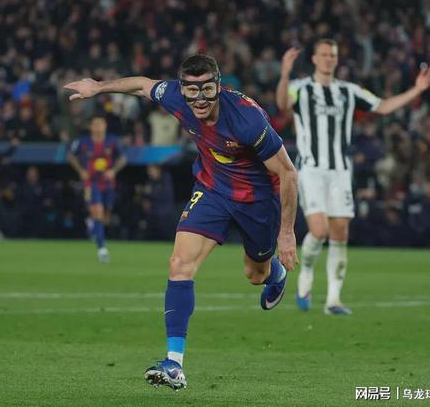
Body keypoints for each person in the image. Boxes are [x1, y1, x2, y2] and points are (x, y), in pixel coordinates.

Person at [64, 54, 299, 390]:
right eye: (191, 90)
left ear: (219, 86)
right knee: (179, 264)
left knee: (255, 274)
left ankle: (273, 271)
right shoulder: (175, 96)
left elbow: (288, 172)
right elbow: (142, 85)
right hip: (212, 190)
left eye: (207, 89)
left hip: (257, 200)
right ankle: (174, 364)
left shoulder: (247, 119)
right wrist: (99, 88)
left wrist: (286, 233)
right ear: (182, 88)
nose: (199, 99)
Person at [276, 39, 430, 315]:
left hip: (340, 171)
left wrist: (417, 90)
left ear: (337, 59)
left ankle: (333, 300)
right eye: (324, 54)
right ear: (314, 59)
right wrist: (285, 73)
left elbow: (383, 106)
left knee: (340, 232)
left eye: (332, 55)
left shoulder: (348, 91)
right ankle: (306, 276)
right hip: (312, 169)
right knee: (319, 231)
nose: (328, 59)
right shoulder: (300, 87)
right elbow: (282, 104)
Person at [67, 114, 127, 263]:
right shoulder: (83, 142)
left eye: (101, 123)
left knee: (105, 217)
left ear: (105, 126)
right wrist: (81, 171)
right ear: (91, 127)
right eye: (95, 124)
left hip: (108, 183)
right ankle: (102, 250)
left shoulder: (112, 141)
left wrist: (113, 171)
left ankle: (92, 225)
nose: (98, 127)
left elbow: (123, 158)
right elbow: (70, 155)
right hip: (91, 183)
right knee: (98, 212)